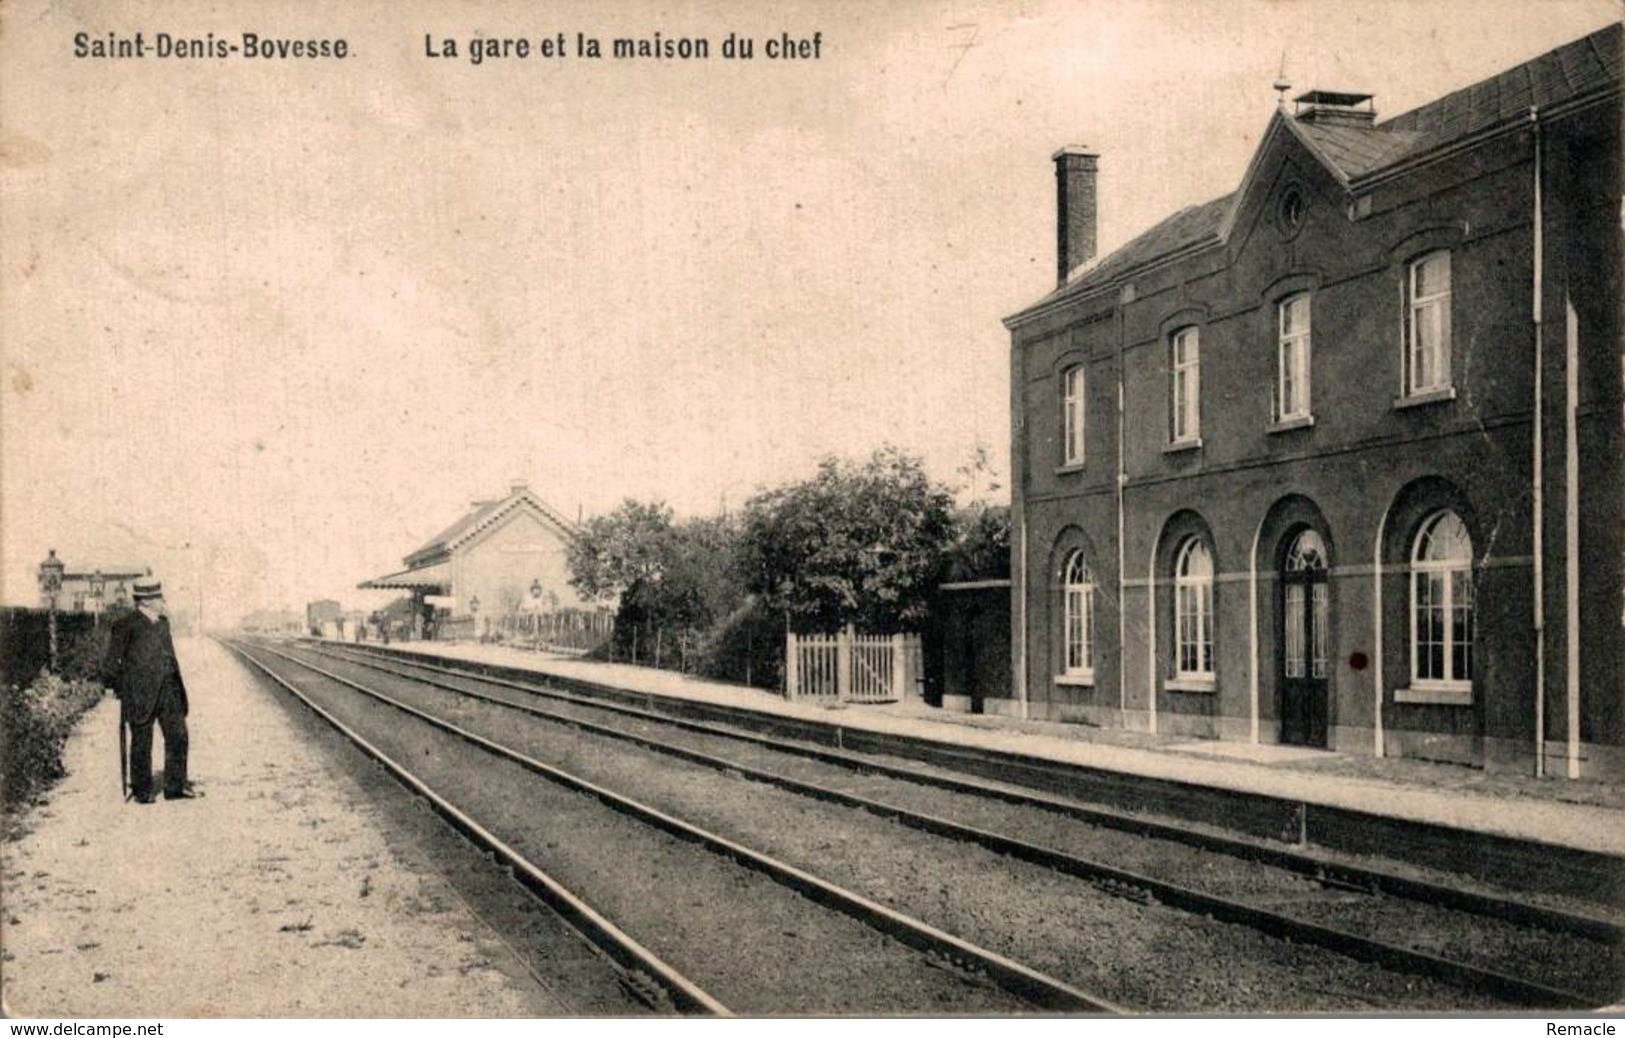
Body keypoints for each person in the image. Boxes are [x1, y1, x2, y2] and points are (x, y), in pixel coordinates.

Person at [103, 577, 200, 803]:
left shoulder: (163, 623)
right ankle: (142, 790)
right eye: (158, 598)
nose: (162, 601)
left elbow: (170, 655)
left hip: (169, 689)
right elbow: (111, 662)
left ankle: (175, 787)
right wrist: (114, 687)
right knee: (141, 740)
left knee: (178, 735)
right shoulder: (126, 625)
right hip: (140, 692)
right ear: (146, 602)